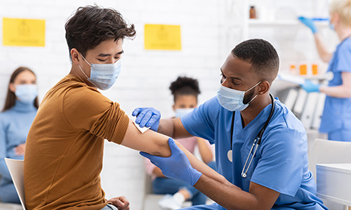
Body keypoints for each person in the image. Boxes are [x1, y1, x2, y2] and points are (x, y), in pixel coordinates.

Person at [23, 5, 220, 210]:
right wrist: (226, 187)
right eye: (102, 58)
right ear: (76, 56)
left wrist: (99, 202)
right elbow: (162, 146)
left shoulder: (61, 91)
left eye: (117, 57)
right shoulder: (82, 98)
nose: (111, 65)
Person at [133, 39, 328, 209]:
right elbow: (174, 128)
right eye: (223, 76)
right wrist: (156, 123)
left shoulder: (285, 134)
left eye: (235, 82)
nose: (224, 86)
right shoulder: (221, 108)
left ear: (262, 87)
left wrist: (191, 176)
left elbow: (257, 206)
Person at [144, 76, 215, 209]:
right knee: (201, 186)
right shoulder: (161, 127)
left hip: (187, 178)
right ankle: (181, 195)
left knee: (213, 168)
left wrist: (196, 131)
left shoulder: (197, 129)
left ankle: (180, 196)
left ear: (197, 108)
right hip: (163, 181)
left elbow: (208, 161)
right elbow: (152, 169)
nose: (187, 109)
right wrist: (182, 172)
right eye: (182, 106)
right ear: (174, 107)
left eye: (191, 106)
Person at [298, 0, 351, 141]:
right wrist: (315, 31)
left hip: (342, 121)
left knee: (340, 162)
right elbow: (326, 56)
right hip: (343, 120)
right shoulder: (345, 45)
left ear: (336, 17)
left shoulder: (346, 47)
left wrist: (318, 88)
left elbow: (348, 90)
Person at [0, 67, 39, 204]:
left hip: (43, 181)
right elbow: (0, 160)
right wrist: (28, 179)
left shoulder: (45, 116)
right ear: (12, 86)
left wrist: (32, 146)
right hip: (12, 185)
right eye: (23, 82)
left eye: (32, 82)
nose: (29, 86)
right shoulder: (3, 119)